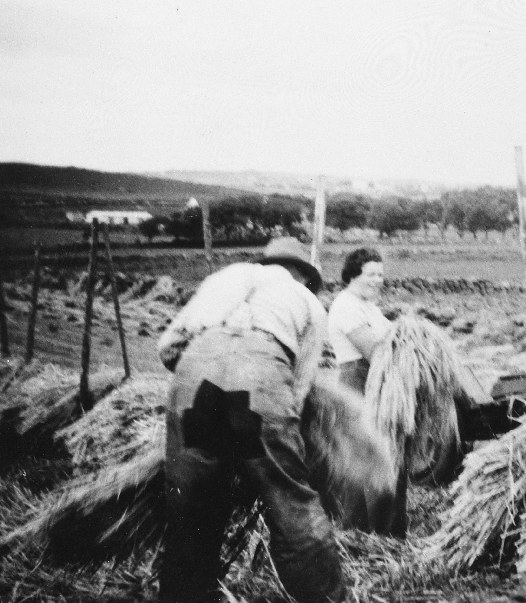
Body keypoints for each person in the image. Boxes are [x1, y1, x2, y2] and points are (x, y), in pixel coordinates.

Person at [157, 237, 344, 603]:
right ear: (304, 275)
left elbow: (167, 348)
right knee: (290, 500)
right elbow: (299, 389)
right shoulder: (309, 302)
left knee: (190, 503)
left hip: (197, 376)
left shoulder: (225, 276)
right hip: (261, 377)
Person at [328, 247, 392, 394]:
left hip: (372, 379)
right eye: (371, 275)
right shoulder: (346, 306)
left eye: (380, 275)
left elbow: (394, 333)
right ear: (352, 276)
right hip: (356, 385)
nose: (377, 280)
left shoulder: (369, 307)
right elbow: (375, 352)